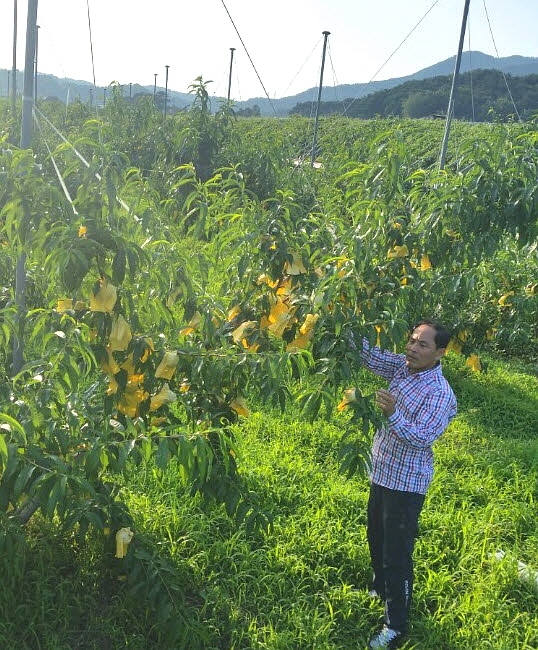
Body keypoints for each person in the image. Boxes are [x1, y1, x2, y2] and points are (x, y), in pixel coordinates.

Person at [359, 319, 457, 649]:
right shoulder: (402, 368)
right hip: (382, 472)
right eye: (413, 340)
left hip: (407, 484)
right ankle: (380, 587)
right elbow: (370, 355)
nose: (413, 348)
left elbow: (422, 437)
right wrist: (335, 318)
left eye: (423, 344)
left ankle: (396, 625)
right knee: (375, 534)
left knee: (397, 555)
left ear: (440, 352)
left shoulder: (439, 393)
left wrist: (392, 414)